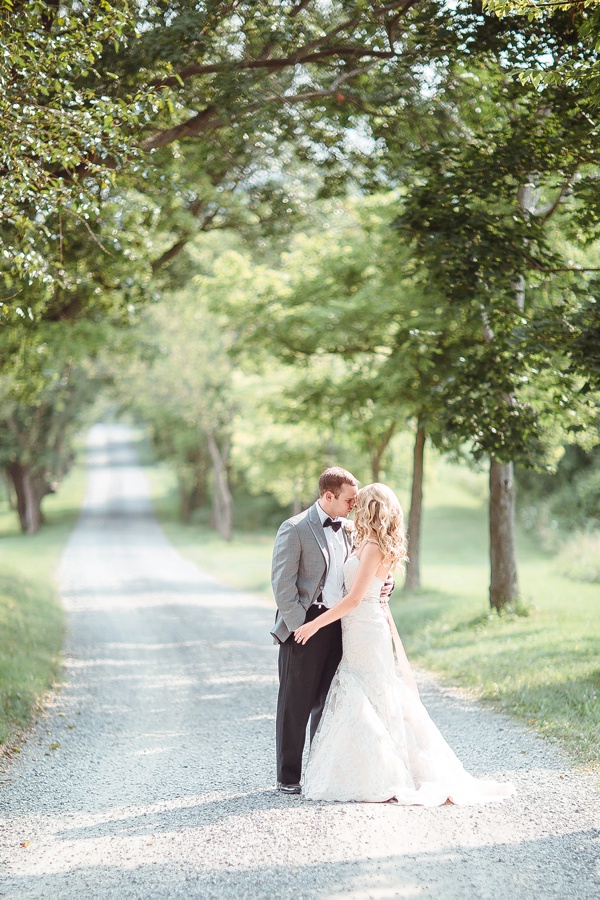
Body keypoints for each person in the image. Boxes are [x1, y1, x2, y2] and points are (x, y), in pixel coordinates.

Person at [294, 483, 516, 805]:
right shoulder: (366, 540)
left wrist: (314, 624)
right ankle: (371, 765)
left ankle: (385, 771)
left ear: (372, 508)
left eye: (361, 503)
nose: (354, 507)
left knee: (369, 690)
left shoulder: (373, 547)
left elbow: (355, 598)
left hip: (366, 628)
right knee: (369, 691)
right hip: (358, 628)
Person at [271, 466, 358, 794]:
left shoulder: (350, 529)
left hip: (341, 625)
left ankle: (320, 771)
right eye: (349, 499)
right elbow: (282, 584)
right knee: (296, 702)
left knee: (329, 699)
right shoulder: (294, 528)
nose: (354, 505)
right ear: (328, 496)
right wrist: (299, 628)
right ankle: (288, 777)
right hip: (305, 626)